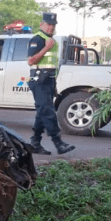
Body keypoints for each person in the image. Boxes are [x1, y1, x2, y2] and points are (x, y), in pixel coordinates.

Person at [27, 12, 75, 155]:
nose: (51, 27)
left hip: (49, 80)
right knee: (47, 112)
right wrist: (46, 48)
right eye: (48, 24)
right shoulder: (38, 39)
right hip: (39, 80)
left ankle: (35, 142)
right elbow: (30, 61)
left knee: (42, 112)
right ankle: (58, 142)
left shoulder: (52, 40)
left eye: (53, 25)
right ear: (42, 24)